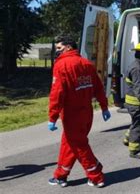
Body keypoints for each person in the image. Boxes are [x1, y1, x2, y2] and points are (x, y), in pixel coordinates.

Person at [48, 35, 111, 188]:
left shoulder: (61, 65)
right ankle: (61, 175)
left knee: (79, 145)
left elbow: (57, 93)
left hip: (72, 114)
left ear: (68, 47)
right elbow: (98, 87)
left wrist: (52, 117)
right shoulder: (86, 63)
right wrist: (104, 107)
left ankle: (96, 175)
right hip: (86, 113)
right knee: (69, 144)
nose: (57, 51)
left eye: (59, 48)